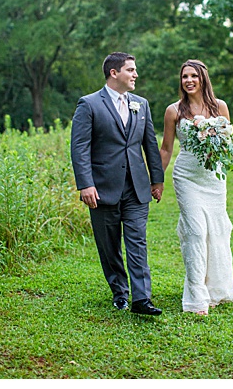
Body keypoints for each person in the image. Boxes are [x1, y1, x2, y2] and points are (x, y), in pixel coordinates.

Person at [71, 52, 165, 316]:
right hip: (101, 189)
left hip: (137, 187)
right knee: (109, 245)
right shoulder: (88, 104)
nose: (135, 75)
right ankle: (119, 292)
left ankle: (142, 299)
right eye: (131, 70)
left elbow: (150, 146)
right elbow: (79, 148)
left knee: (137, 241)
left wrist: (156, 180)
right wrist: (85, 184)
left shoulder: (141, 104)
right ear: (114, 73)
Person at [159, 59, 233, 315]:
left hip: (213, 179)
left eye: (193, 75)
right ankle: (196, 297)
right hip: (187, 177)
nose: (189, 80)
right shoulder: (174, 111)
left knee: (216, 232)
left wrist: (216, 144)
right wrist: (157, 180)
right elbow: (167, 148)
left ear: (203, 78)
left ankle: (215, 289)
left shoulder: (220, 107)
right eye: (184, 76)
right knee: (194, 231)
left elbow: (228, 144)